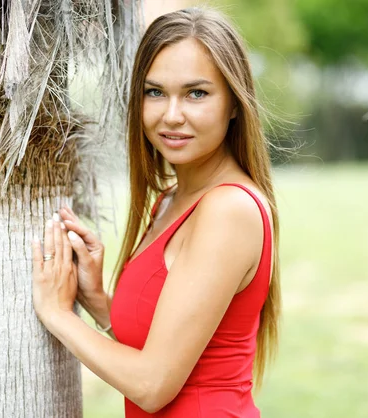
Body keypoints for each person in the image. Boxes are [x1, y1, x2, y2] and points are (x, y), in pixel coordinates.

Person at [31, 7, 281, 417]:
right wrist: (98, 302)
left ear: (234, 104)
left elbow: (152, 385)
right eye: (155, 92)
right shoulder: (169, 200)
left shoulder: (229, 209)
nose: (171, 115)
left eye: (196, 93)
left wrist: (57, 315)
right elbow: (164, 347)